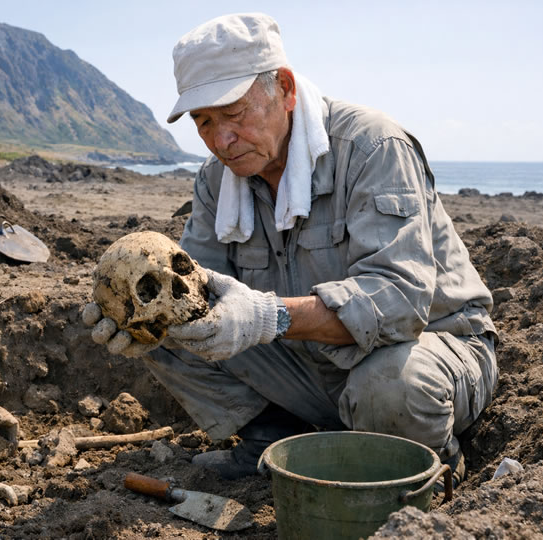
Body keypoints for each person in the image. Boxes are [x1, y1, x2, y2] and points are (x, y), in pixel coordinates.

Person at [83, 12, 497, 483]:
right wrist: (131, 312)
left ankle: (432, 460)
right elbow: (199, 287)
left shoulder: (372, 147)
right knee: (164, 318)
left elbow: (399, 302)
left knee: (389, 388)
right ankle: (274, 438)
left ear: (284, 88)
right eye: (203, 122)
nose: (221, 141)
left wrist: (268, 316)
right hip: (311, 363)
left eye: (234, 114)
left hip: (429, 350)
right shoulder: (218, 181)